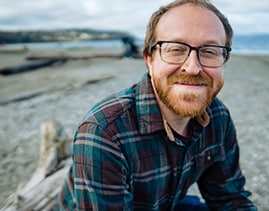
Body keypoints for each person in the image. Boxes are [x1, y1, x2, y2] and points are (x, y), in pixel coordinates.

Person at [56, 0, 257, 210]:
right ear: (149, 60)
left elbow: (229, 199)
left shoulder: (218, 117)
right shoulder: (105, 132)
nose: (193, 68)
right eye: (176, 49)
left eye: (209, 51)